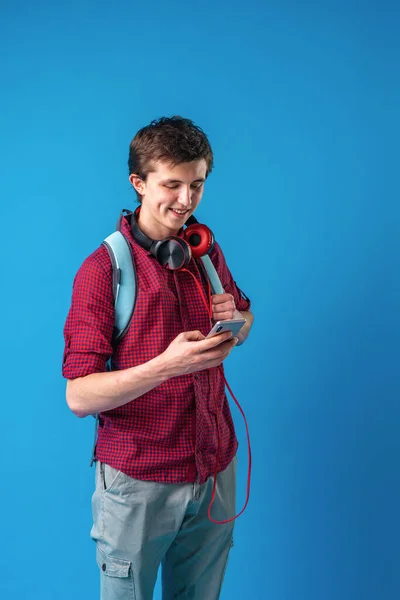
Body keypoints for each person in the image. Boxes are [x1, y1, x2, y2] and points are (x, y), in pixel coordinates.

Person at [62, 116, 254, 600]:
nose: (185, 201)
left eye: (197, 185)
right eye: (172, 185)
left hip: (214, 466)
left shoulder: (203, 249)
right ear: (139, 183)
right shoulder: (102, 270)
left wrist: (238, 324)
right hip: (139, 479)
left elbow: (247, 319)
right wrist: (167, 365)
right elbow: (79, 396)